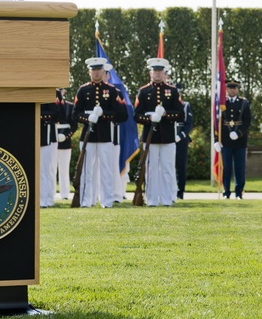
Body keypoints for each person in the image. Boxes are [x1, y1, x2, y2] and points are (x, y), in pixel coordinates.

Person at [74, 58, 126, 208]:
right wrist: (86, 117)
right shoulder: (83, 90)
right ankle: (85, 201)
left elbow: (121, 114)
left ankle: (107, 201)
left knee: (106, 170)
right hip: (87, 136)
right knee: (86, 171)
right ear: (89, 72)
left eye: (99, 70)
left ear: (103, 72)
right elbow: (75, 114)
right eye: (93, 70)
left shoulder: (111, 91)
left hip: (105, 135)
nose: (96, 73)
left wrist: (104, 114)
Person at [133, 58, 184, 207]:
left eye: (160, 71)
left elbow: (180, 114)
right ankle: (152, 200)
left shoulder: (173, 91)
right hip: (150, 137)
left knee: (167, 169)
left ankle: (167, 199)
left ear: (164, 73)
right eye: (155, 71)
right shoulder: (143, 91)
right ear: (150, 73)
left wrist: (166, 114)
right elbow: (136, 115)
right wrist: (149, 118)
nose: (157, 73)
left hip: (167, 137)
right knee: (151, 169)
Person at [216, 80, 252, 199]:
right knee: (226, 167)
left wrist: (239, 133)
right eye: (230, 88)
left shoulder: (244, 102)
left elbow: (247, 121)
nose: (232, 90)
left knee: (239, 168)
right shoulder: (221, 103)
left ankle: (239, 192)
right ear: (226, 89)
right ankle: (226, 192)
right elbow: (217, 122)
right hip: (225, 139)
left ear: (238, 89)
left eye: (234, 88)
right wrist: (217, 139)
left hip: (240, 140)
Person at [38, 91, 61, 208]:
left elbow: (57, 113)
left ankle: (45, 200)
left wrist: (36, 114)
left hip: (47, 136)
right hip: (34, 133)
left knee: (45, 170)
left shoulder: (53, 92)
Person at [54, 89, 76, 202]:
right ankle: (50, 193)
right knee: (50, 170)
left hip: (65, 142)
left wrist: (66, 136)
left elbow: (74, 125)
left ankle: (65, 193)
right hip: (51, 139)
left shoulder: (70, 106)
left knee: (64, 170)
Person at [173, 82, 193, 199]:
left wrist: (181, 135)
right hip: (168, 138)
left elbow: (188, 124)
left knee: (180, 166)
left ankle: (180, 192)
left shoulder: (185, 105)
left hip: (181, 139)